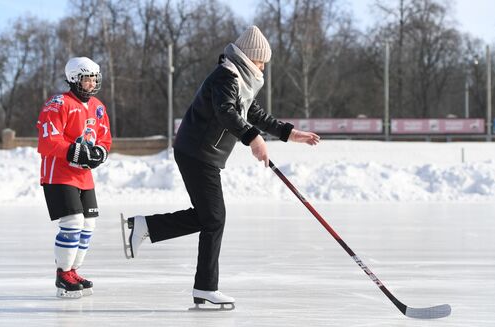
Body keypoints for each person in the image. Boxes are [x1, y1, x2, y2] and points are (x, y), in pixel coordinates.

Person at [122, 25, 319, 308]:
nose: (262, 67)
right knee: (214, 218)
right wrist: (253, 139)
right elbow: (225, 111)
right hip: (196, 153)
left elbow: (254, 113)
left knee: (209, 217)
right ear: (249, 57)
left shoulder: (239, 80)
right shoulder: (226, 77)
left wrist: (289, 133)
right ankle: (204, 286)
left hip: (202, 155)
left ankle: (147, 228)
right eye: (260, 61)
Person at [36, 57, 112, 299]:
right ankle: (63, 273)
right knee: (73, 222)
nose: (91, 83)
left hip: (83, 176)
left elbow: (104, 137)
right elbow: (48, 141)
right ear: (73, 79)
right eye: (86, 78)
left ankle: (73, 271)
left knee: (89, 225)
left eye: (94, 78)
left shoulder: (98, 106)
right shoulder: (58, 103)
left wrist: (100, 151)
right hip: (59, 173)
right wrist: (73, 150)